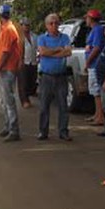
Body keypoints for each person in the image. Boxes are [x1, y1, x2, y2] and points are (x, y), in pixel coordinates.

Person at [37, 13, 72, 141]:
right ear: (46, 25)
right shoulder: (42, 38)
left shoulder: (65, 37)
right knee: (44, 106)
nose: (54, 25)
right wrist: (58, 50)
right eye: (51, 23)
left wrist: (50, 52)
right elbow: (42, 52)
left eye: (56, 23)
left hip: (61, 76)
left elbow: (68, 52)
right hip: (46, 76)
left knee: (63, 105)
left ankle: (63, 131)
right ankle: (43, 131)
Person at [0, 4, 22, 142]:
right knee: (5, 100)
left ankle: (14, 130)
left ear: (0, 16)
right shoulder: (7, 29)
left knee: (9, 101)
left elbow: (5, 53)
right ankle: (8, 127)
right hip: (7, 68)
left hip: (7, 69)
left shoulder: (8, 30)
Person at [84, 9, 105, 126]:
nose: (86, 20)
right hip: (93, 64)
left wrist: (88, 61)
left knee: (96, 91)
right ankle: (97, 114)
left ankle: (100, 116)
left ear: (91, 19)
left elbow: (96, 48)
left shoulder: (97, 30)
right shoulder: (93, 30)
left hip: (95, 64)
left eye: (87, 18)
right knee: (94, 90)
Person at [18, 17, 38, 108]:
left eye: (28, 25)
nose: (27, 27)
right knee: (23, 82)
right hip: (23, 61)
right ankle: (24, 100)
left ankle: (28, 96)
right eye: (25, 25)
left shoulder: (34, 36)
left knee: (32, 81)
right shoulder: (18, 37)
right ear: (21, 26)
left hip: (33, 61)